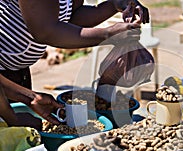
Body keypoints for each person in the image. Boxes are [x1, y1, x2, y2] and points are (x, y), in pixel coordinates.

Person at [0, 0, 150, 90]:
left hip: (17, 72)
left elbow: (71, 15)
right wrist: (108, 34)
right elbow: (46, 31)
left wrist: (113, 5)